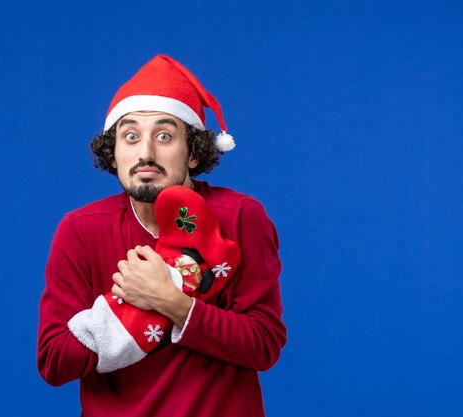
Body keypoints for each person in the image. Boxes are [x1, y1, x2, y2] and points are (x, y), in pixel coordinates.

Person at [37, 54, 286, 417]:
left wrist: (172, 301)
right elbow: (54, 362)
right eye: (131, 136)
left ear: (194, 154)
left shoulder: (240, 216)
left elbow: (263, 345)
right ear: (114, 153)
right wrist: (129, 305)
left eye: (165, 136)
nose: (146, 153)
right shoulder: (80, 229)